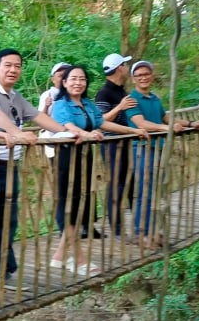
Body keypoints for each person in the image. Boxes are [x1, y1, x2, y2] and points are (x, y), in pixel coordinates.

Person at [0, 49, 70, 294]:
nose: (13, 70)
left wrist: (66, 132)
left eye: (17, 66)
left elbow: (37, 116)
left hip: (10, 166)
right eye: (8, 65)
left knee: (7, 222)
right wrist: (16, 133)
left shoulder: (16, 95)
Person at [50, 64, 147, 273]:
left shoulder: (87, 103)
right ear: (64, 82)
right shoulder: (60, 104)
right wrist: (86, 134)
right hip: (66, 156)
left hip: (84, 156)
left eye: (82, 79)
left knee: (79, 204)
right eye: (73, 79)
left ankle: (59, 255)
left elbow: (103, 122)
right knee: (70, 205)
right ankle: (79, 259)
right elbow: (68, 126)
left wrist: (133, 130)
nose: (78, 82)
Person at [124, 60, 199, 248]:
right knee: (144, 191)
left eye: (146, 74)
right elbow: (140, 123)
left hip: (157, 148)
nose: (143, 78)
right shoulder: (131, 99)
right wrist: (167, 128)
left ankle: (151, 231)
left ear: (152, 76)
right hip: (141, 148)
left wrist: (190, 124)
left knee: (153, 191)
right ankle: (139, 233)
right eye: (139, 75)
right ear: (134, 79)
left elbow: (165, 117)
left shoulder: (154, 98)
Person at [94, 52, 138, 239]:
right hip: (112, 144)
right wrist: (119, 107)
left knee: (130, 184)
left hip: (126, 142)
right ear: (119, 68)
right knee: (117, 185)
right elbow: (100, 120)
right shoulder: (104, 92)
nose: (128, 68)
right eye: (125, 65)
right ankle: (117, 229)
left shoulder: (121, 90)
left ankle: (138, 225)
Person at [37, 61, 69, 160]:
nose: (63, 78)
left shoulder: (75, 95)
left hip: (74, 139)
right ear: (53, 79)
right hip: (54, 139)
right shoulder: (47, 95)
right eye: (60, 75)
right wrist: (46, 106)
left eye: (66, 75)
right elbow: (41, 119)